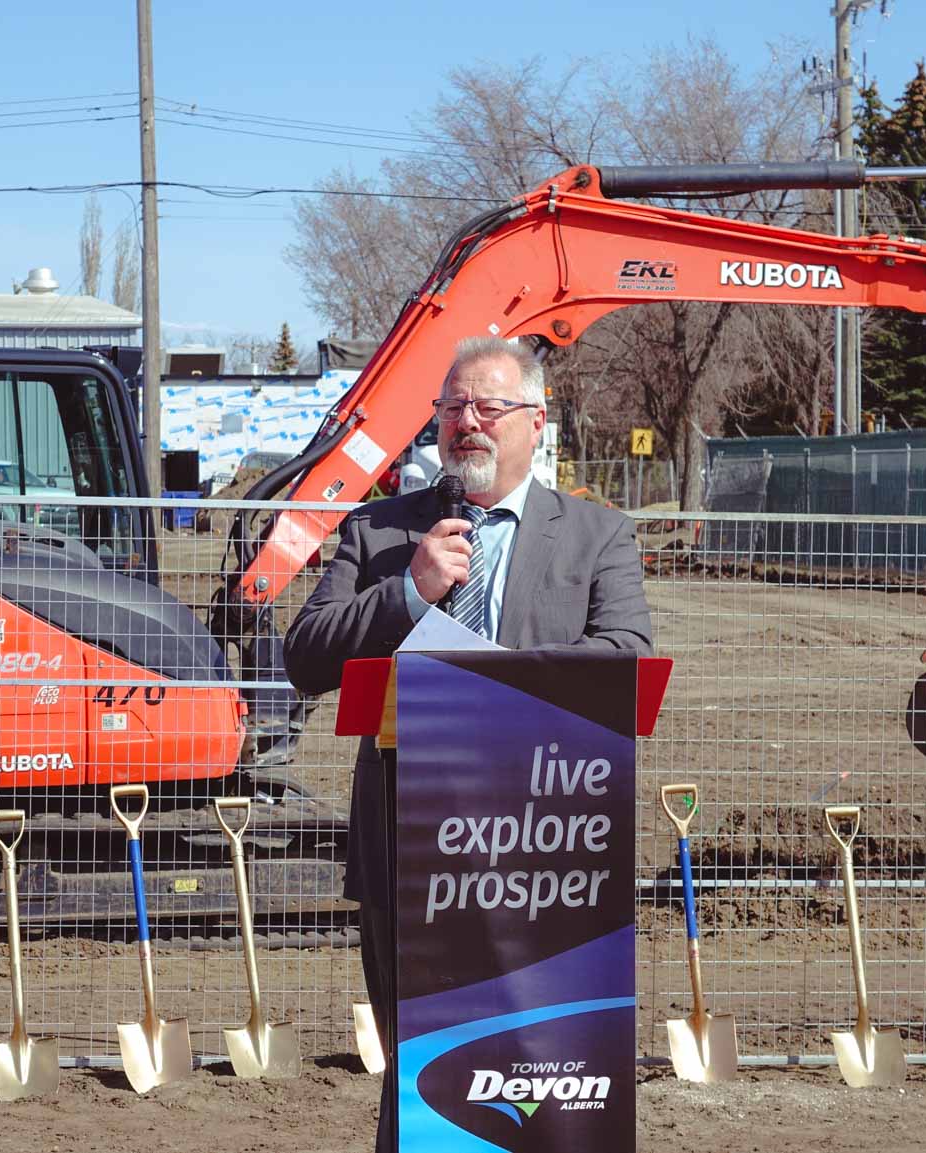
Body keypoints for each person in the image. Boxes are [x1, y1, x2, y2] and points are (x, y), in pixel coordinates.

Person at [283, 335, 652, 1151]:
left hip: (549, 854)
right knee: (423, 1072)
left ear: (536, 421)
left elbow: (627, 656)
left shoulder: (597, 535)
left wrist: (490, 688)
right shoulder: (380, 531)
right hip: (407, 846)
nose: (467, 423)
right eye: (452, 408)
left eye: (488, 406)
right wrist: (409, 590)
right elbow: (305, 655)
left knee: (545, 1069)